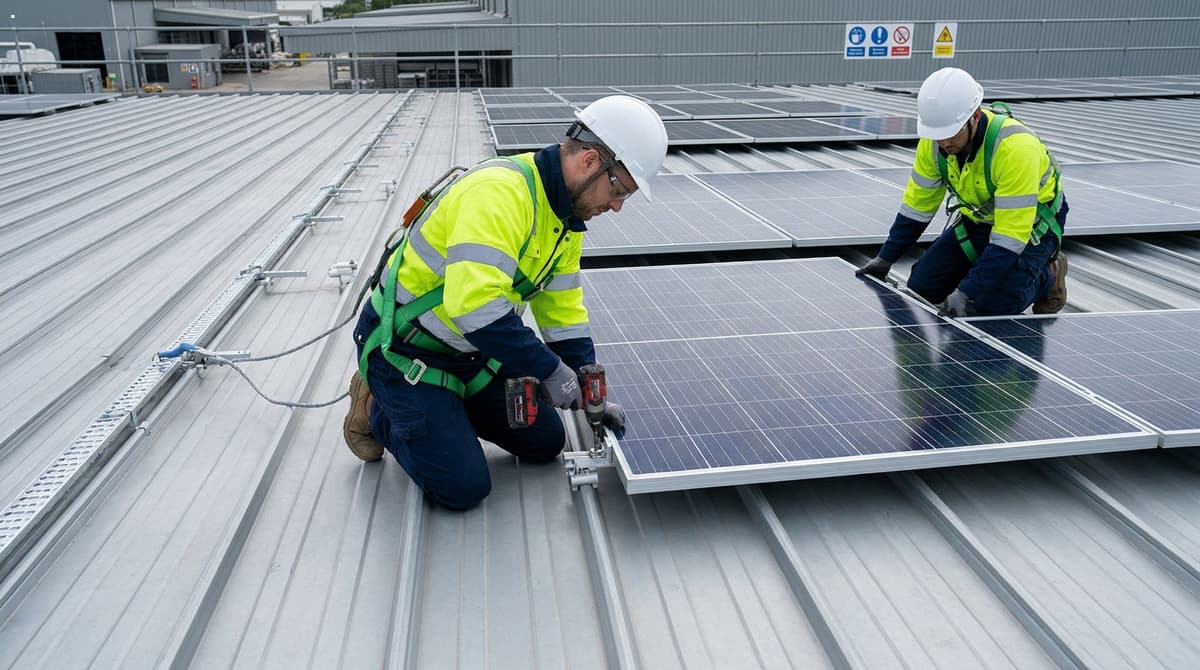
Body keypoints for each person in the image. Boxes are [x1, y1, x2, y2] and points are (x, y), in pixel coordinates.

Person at [343, 95, 669, 511]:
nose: (618, 205)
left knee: (546, 441)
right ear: (589, 161)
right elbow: (475, 309)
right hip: (408, 350)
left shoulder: (565, 222)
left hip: (473, 352)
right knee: (462, 488)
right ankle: (378, 406)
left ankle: (443, 413)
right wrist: (551, 371)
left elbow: (563, 312)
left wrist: (588, 386)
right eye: (619, 188)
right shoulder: (499, 195)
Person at [856, 67, 1069, 317]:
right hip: (977, 220)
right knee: (919, 289)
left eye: (951, 133)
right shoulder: (934, 143)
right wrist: (885, 258)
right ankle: (983, 271)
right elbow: (917, 207)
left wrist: (966, 292)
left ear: (976, 115)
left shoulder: (1015, 149)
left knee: (989, 307)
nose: (944, 143)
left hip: (1032, 228)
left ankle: (1049, 274)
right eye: (937, 136)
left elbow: (1010, 236)